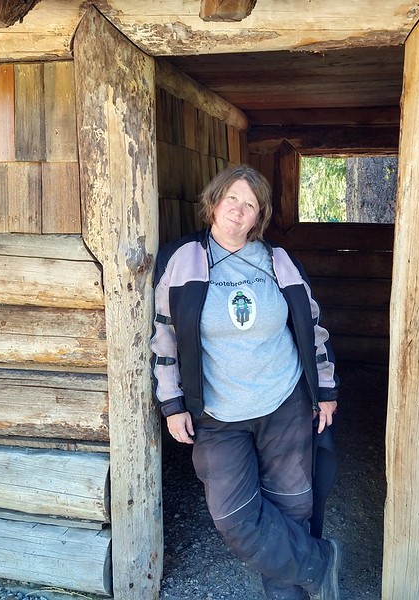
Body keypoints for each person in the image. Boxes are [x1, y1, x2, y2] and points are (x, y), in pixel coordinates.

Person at [151, 164, 343, 600]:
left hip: (284, 403)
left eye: (250, 205)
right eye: (231, 199)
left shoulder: (278, 261)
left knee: (291, 506)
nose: (238, 211)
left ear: (259, 217)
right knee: (235, 516)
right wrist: (172, 402)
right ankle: (321, 564)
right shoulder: (183, 260)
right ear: (214, 202)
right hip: (218, 413)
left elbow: (312, 327)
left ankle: (290, 595)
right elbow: (163, 334)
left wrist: (326, 390)